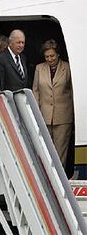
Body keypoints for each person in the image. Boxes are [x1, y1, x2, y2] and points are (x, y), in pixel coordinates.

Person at [32, 39, 74, 167]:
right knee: (45, 150)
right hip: (44, 116)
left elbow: (72, 91)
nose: (49, 59)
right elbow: (36, 91)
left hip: (63, 116)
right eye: (47, 57)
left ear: (58, 54)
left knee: (60, 152)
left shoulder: (67, 67)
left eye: (52, 56)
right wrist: (36, 113)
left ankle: (59, 180)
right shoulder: (39, 68)